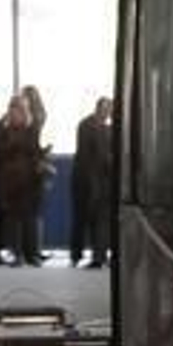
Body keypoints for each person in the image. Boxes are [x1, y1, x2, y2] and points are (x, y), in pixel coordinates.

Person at [0, 97, 46, 267]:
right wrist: (12, 145)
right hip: (10, 180)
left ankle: (33, 255)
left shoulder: (32, 130)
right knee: (13, 219)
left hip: (30, 179)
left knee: (30, 218)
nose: (17, 113)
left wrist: (41, 162)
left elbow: (35, 152)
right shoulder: (2, 131)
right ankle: (17, 254)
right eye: (15, 109)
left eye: (21, 110)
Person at [70, 97, 114, 269]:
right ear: (99, 108)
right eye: (107, 110)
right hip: (89, 180)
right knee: (90, 219)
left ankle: (94, 256)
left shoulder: (101, 127)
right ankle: (93, 256)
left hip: (94, 181)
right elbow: (98, 156)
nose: (108, 114)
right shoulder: (90, 126)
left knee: (95, 220)